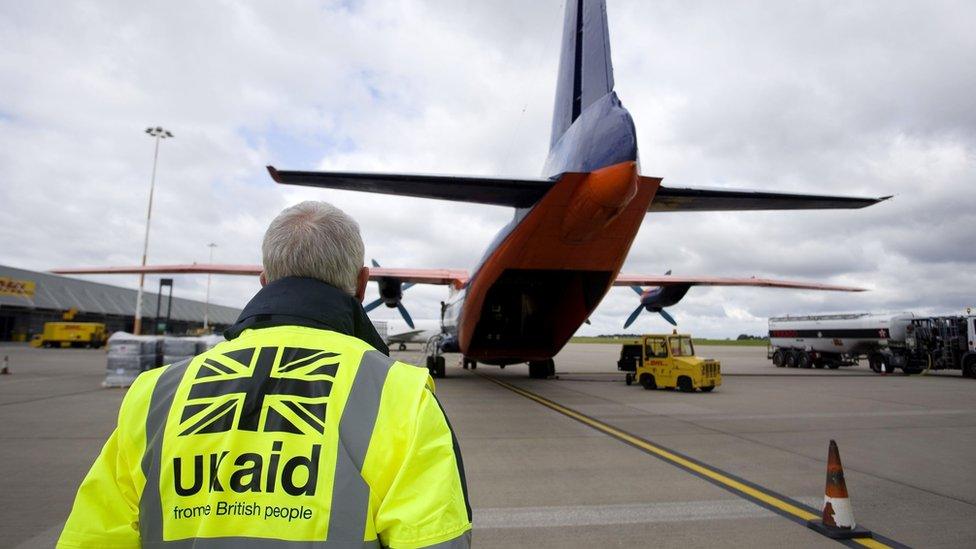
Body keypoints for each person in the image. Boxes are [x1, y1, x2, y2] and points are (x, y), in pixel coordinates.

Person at [58, 201, 472, 548]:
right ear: (363, 284)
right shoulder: (401, 396)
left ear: (263, 280)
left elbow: (89, 537)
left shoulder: (155, 394)